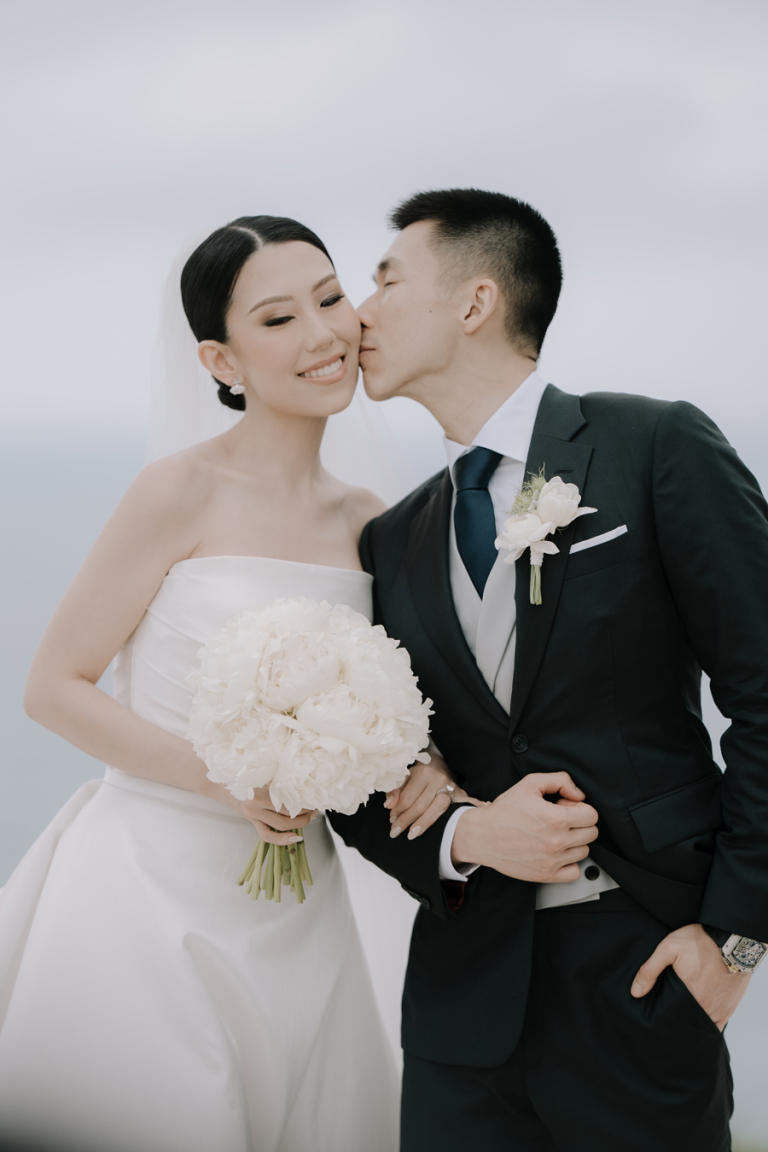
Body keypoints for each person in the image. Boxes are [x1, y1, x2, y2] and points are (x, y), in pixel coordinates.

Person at [0, 215, 458, 1152]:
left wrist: (424, 762)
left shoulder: (372, 520)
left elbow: (397, 698)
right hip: (149, 886)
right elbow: (54, 686)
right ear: (221, 360)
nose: (323, 334)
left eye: (330, 299)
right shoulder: (177, 492)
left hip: (298, 902)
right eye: (279, 319)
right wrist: (227, 780)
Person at [329, 188, 768, 1151]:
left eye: (386, 280)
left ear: (474, 301)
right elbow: (360, 772)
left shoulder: (653, 445)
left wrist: (736, 943)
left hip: (647, 978)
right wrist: (467, 835)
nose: (359, 312)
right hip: (461, 1018)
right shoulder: (393, 540)